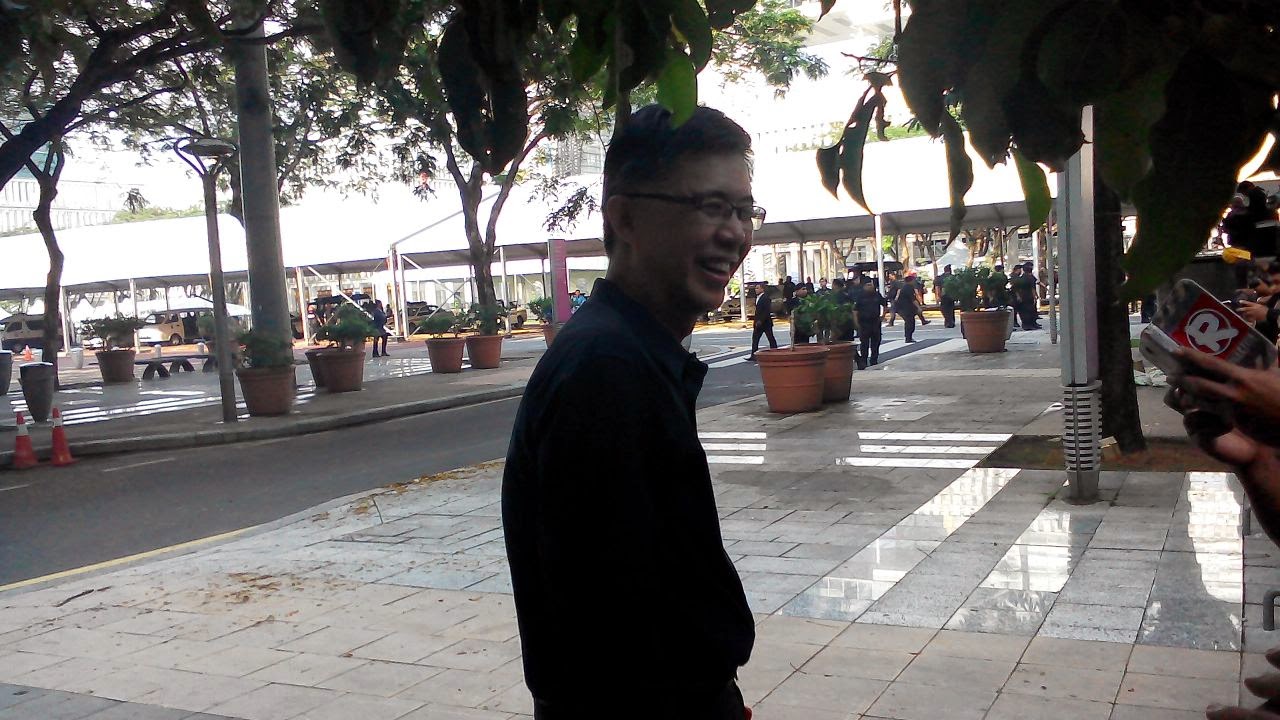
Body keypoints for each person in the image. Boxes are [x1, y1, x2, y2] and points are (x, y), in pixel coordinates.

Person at [502, 104, 756, 720]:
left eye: (744, 211)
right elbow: (614, 622)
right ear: (626, 218)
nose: (735, 234)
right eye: (711, 207)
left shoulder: (631, 351)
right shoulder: (607, 368)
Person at [854, 280, 888, 368]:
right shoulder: (860, 296)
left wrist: (883, 316)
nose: (870, 287)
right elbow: (855, 310)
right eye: (868, 285)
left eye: (871, 285)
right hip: (864, 322)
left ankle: (874, 360)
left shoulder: (877, 295)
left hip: (875, 322)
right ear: (864, 286)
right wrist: (856, 322)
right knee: (864, 343)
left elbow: (885, 304)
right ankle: (864, 360)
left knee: (876, 342)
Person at [748, 285, 777, 360]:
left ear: (762, 289)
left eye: (757, 288)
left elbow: (766, 311)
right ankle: (753, 355)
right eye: (755, 288)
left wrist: (761, 320)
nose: (756, 290)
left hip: (765, 322)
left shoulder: (766, 298)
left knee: (770, 338)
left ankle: (775, 352)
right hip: (758, 323)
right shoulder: (757, 298)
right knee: (755, 339)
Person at [895, 271, 921, 342]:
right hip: (905, 308)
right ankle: (908, 337)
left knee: (910, 322)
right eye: (913, 280)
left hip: (904, 308)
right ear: (910, 281)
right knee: (909, 322)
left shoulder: (905, 287)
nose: (914, 282)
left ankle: (908, 336)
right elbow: (913, 299)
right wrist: (918, 307)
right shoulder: (908, 287)